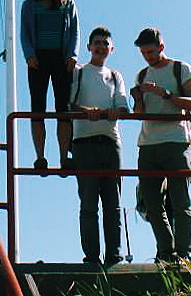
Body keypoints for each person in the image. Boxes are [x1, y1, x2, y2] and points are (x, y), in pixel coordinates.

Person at [130, 28, 191, 262]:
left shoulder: (181, 69)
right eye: (143, 53)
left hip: (176, 139)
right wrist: (138, 98)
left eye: (150, 51)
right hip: (148, 143)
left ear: (161, 47)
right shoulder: (141, 75)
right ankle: (167, 252)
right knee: (151, 203)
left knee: (180, 201)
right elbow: (139, 114)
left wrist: (165, 94)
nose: (147, 57)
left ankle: (183, 254)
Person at [69, 27, 128, 266]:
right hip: (84, 143)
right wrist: (88, 112)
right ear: (89, 47)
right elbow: (69, 103)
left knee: (113, 204)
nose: (101, 46)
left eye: (105, 43)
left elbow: (123, 106)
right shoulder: (79, 72)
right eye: (97, 42)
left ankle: (114, 256)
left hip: (110, 142)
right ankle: (92, 258)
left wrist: (113, 112)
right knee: (88, 204)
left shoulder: (115, 75)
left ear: (112, 48)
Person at [20, 0, 80, 173]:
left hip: (61, 59)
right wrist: (29, 55)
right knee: (38, 108)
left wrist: (72, 56)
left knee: (63, 109)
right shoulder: (29, 5)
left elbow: (74, 31)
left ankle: (64, 157)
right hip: (38, 60)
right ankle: (40, 157)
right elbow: (24, 33)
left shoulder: (68, 3)